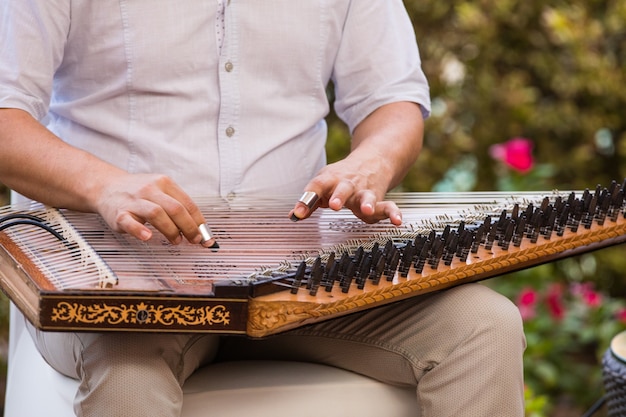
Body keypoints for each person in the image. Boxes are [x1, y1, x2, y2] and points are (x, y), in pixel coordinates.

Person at [0, 1, 526, 416]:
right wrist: (105, 186)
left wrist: (372, 161)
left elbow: (391, 100)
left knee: (483, 327)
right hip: (121, 275)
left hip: (300, 275)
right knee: (128, 367)